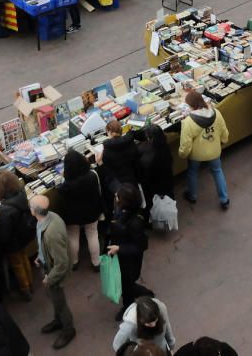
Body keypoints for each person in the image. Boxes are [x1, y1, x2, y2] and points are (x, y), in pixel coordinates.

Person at [30, 194, 76, 349]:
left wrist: (49, 278)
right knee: (53, 297)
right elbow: (44, 244)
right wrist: (39, 256)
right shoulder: (49, 218)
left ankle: (68, 329)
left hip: (54, 271)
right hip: (48, 266)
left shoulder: (52, 233)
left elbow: (61, 262)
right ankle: (58, 321)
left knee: (59, 302)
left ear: (34, 211)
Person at [107, 183, 151, 318]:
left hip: (129, 262)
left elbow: (140, 246)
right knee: (124, 283)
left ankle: (128, 307)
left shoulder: (135, 222)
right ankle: (142, 292)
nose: (115, 197)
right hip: (118, 256)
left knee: (126, 285)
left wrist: (119, 249)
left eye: (118, 196)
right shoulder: (120, 211)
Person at [179, 91, 230, 209]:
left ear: (191, 106)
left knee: (192, 172)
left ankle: (192, 195)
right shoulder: (216, 113)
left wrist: (183, 154)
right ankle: (224, 199)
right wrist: (223, 140)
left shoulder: (188, 122)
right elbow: (224, 131)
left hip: (196, 154)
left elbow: (185, 144)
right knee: (217, 171)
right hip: (214, 150)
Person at [0, 171, 35, 301]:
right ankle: (30, 283)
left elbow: (4, 232)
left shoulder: (5, 208)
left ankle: (25, 289)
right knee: (24, 257)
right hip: (24, 234)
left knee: (17, 264)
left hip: (13, 241)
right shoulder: (21, 193)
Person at [57, 149, 103, 272]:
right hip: (92, 210)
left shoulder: (65, 183)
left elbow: (62, 195)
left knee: (73, 237)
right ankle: (96, 262)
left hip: (73, 214)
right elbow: (99, 191)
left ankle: (74, 262)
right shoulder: (93, 175)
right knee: (93, 234)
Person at [137, 124, 174, 213]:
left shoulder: (148, 155)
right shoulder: (165, 145)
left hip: (155, 185)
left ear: (150, 138)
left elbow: (147, 175)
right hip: (167, 180)